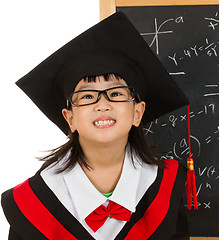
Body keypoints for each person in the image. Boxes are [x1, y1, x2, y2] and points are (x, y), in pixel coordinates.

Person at [1, 12, 191, 240]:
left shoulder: (165, 185)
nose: (102, 105)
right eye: (88, 97)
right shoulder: (33, 201)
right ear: (69, 117)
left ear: (137, 112)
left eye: (116, 93)